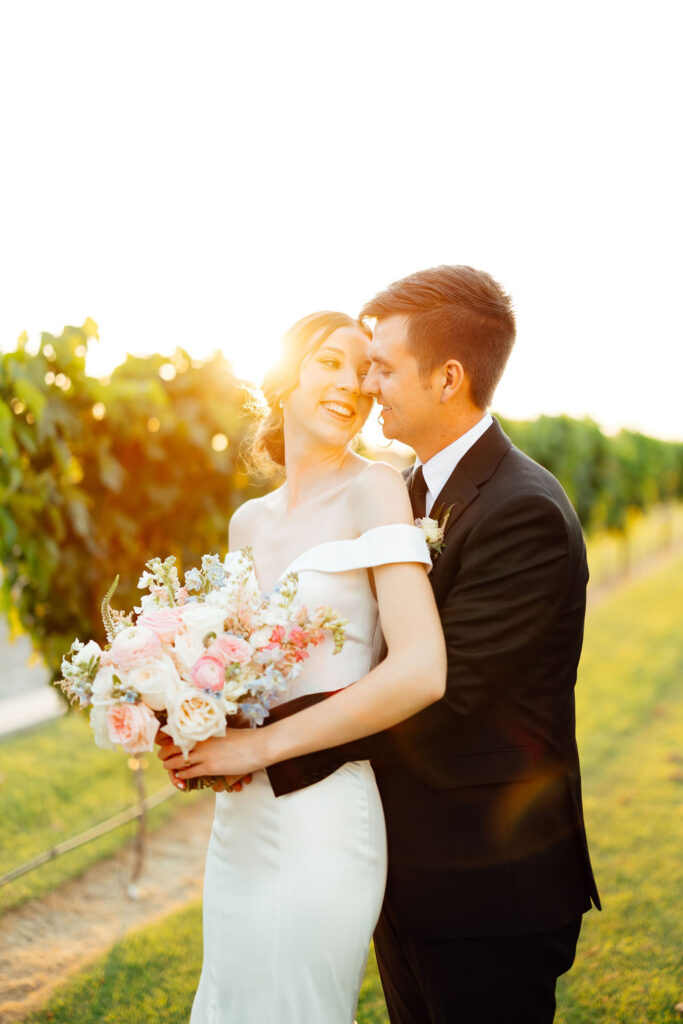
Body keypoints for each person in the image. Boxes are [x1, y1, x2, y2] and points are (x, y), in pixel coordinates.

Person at [171, 266, 602, 1024]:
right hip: (399, 864)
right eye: (349, 364)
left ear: (446, 377)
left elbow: (437, 685)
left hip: (489, 881)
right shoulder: (400, 492)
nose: (367, 384)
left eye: (381, 366)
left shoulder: (522, 511)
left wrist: (261, 749)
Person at [158, 310, 447, 1024]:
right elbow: (244, 673)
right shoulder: (246, 524)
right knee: (231, 1001)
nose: (352, 384)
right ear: (285, 376)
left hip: (322, 815)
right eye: (330, 362)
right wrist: (193, 730)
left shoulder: (374, 489)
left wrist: (257, 745)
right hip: (240, 820)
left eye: (364, 371)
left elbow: (420, 670)